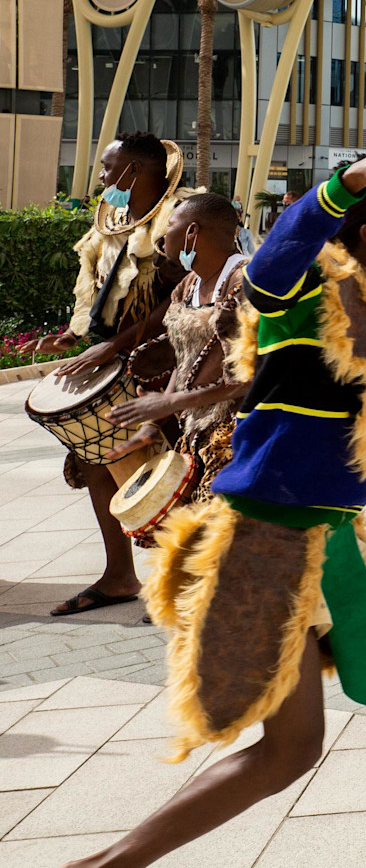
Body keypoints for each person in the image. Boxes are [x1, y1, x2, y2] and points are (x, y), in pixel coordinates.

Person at [101, 143, 366, 868]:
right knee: (295, 749)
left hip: (334, 530)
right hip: (264, 532)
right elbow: (267, 266)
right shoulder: (309, 291)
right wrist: (352, 179)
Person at [38, 130, 193, 617]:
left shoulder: (185, 214)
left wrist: (119, 344)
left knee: (175, 467)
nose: (102, 178)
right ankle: (120, 575)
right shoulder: (113, 221)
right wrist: (76, 334)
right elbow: (104, 294)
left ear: (134, 171)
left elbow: (188, 291)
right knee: (96, 459)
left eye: (108, 168)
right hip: (117, 359)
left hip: (169, 361)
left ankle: (186, 578)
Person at [98, 192, 253, 515]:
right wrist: (155, 422)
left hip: (243, 437)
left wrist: (169, 403)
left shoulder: (245, 282)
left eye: (171, 225)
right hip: (199, 432)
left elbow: (248, 379)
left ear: (192, 232)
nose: (163, 234)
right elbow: (185, 363)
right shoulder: (188, 285)